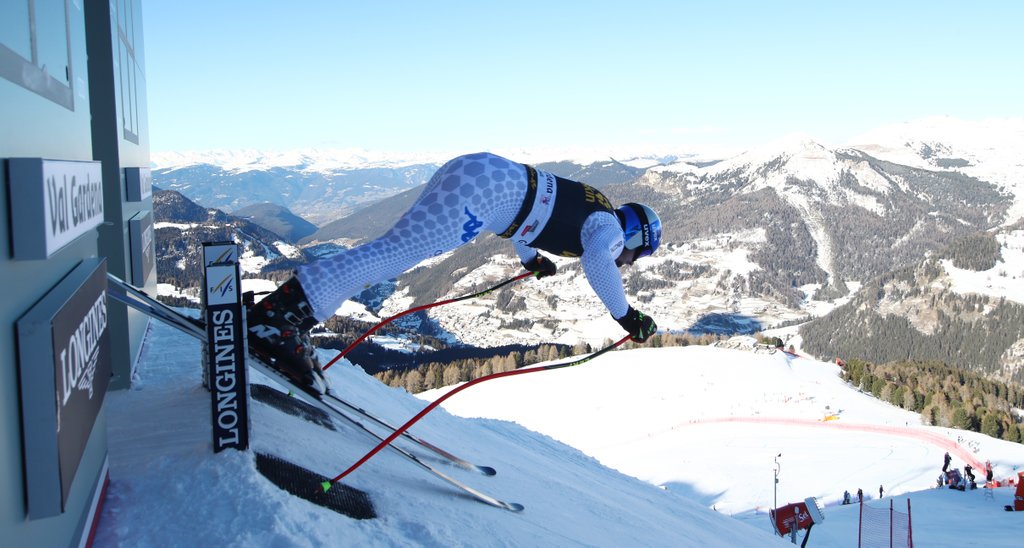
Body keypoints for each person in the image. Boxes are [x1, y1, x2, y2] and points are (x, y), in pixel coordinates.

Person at [246, 152, 663, 391]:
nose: (627, 263)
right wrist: (626, 316)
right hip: (484, 193)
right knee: (391, 255)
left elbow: (534, 215)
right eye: (635, 256)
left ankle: (286, 314)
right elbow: (597, 262)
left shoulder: (597, 206)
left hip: (481, 172)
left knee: (392, 250)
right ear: (634, 237)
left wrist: (528, 260)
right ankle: (280, 320)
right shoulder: (609, 231)